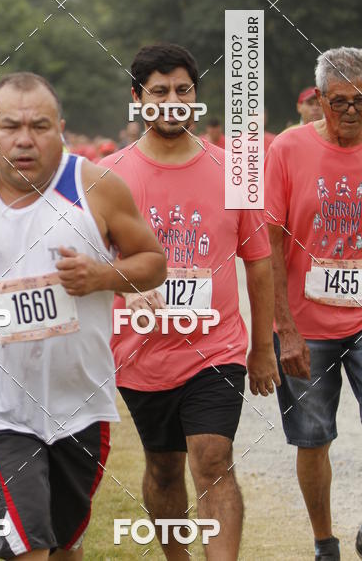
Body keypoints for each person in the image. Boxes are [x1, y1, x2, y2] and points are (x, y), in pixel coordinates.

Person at [0, 71, 166, 560]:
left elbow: (153, 263)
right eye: (11, 126)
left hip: (82, 403)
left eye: (40, 126)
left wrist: (102, 276)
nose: (25, 139)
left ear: (61, 128)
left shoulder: (97, 188)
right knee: (30, 548)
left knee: (65, 546)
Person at [100, 43, 279, 561]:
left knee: (213, 456)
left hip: (216, 347)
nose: (173, 101)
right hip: (139, 353)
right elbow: (91, 266)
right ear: (138, 98)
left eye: (183, 90)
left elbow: (259, 260)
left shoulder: (235, 170)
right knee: (163, 467)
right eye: (159, 92)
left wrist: (262, 346)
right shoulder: (108, 177)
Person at [265, 47, 362, 561]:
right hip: (308, 323)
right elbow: (272, 242)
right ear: (319, 99)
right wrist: (285, 328)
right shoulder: (288, 149)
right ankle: (325, 542)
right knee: (313, 438)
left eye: (361, 101)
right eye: (339, 101)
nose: (350, 111)